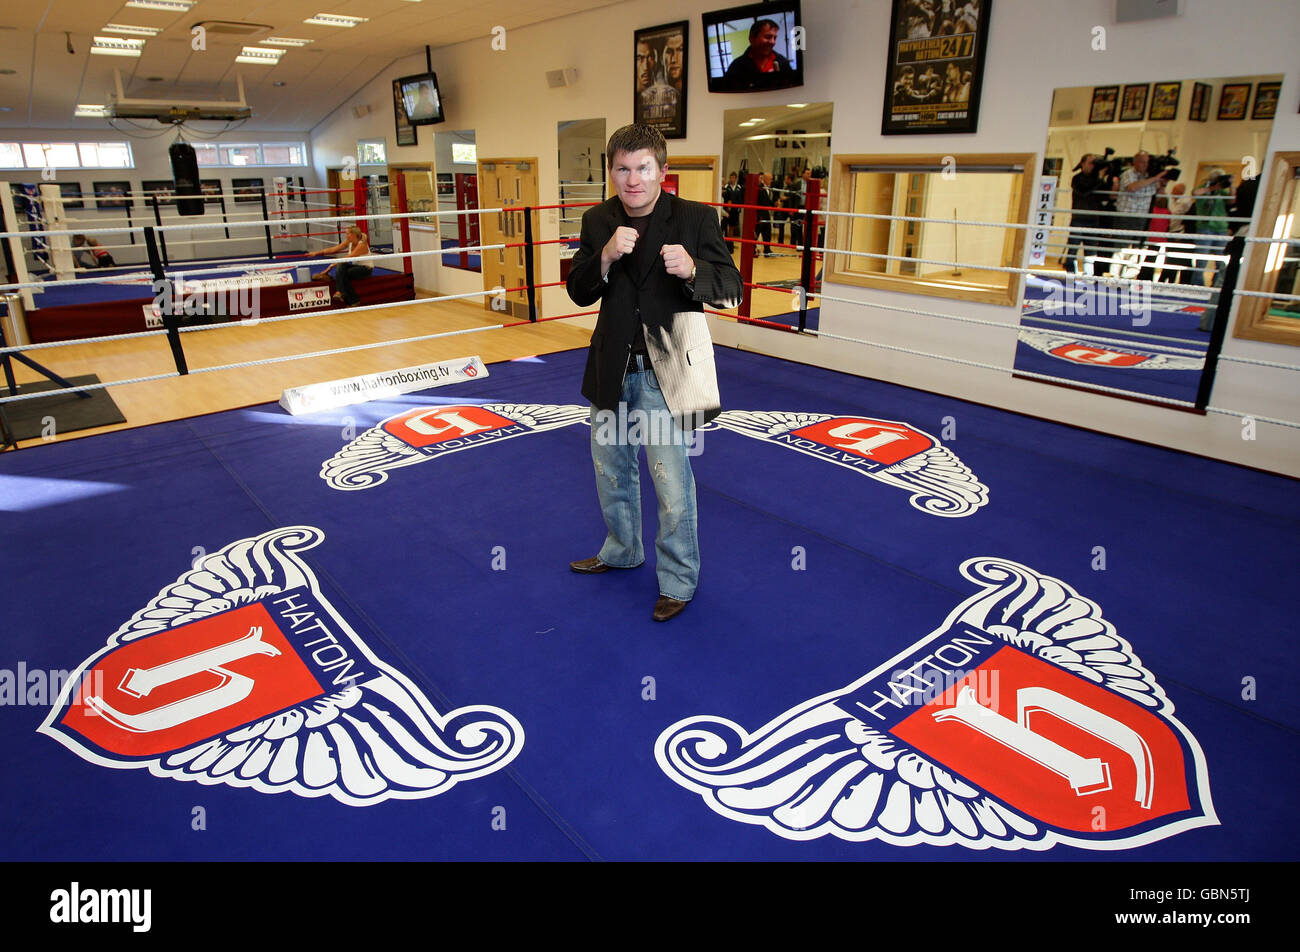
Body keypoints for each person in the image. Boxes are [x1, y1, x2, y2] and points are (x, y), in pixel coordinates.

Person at [565, 124, 742, 622]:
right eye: (622, 168)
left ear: (663, 172)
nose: (632, 179)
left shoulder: (695, 218)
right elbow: (578, 290)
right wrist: (602, 256)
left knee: (670, 483)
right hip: (611, 367)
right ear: (611, 172)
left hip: (664, 374)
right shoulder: (598, 219)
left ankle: (679, 581)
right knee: (611, 471)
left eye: (643, 167)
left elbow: (731, 290)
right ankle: (622, 549)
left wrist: (691, 271)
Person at [1064, 154, 1108, 275]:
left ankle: (1088, 274)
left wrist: (1104, 178)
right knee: (1073, 247)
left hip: (1093, 218)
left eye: (1095, 163)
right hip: (1079, 217)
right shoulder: (1077, 178)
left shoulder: (1098, 180)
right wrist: (1099, 179)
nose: (1093, 166)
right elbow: (1084, 191)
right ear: (1082, 163)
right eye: (1090, 163)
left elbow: (1105, 195)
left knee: (1091, 250)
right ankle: (1070, 273)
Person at [722, 18, 793, 91]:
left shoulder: (782, 62)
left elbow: (792, 87)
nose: (773, 42)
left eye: (775, 38)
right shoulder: (736, 66)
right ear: (752, 38)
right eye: (768, 37)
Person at [309, 225, 372, 307]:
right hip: (356, 267)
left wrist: (330, 267)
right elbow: (334, 249)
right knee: (341, 268)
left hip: (365, 269)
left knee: (343, 272)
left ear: (353, 234)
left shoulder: (362, 245)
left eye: (347, 233)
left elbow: (349, 257)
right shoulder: (349, 242)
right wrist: (316, 253)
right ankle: (344, 295)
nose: (346, 235)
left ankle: (349, 297)